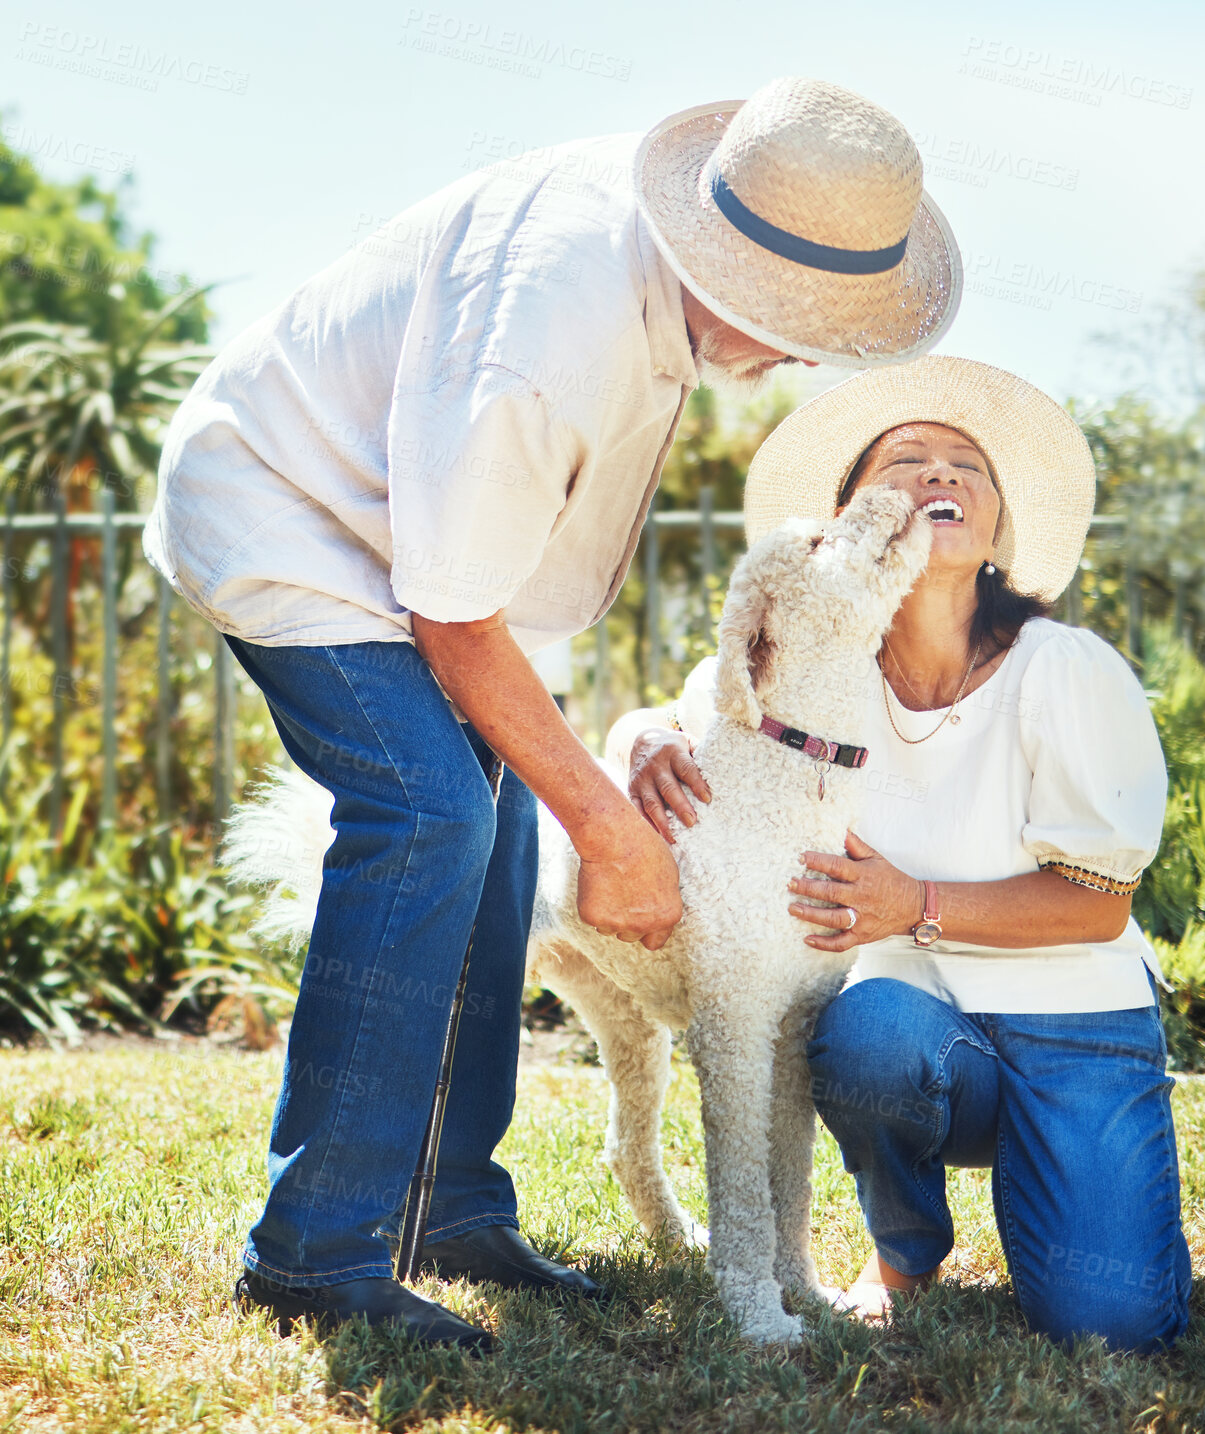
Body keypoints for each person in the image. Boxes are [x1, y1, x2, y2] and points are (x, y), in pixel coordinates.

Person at [142, 77, 962, 1347]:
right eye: (797, 319)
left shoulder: (669, 268)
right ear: (725, 266)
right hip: (289, 519)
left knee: (504, 833)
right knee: (428, 816)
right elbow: (453, 618)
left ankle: (450, 1206)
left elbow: (500, 574)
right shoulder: (551, 331)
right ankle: (314, 1250)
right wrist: (612, 825)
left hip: (418, 554)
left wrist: (613, 753)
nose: (807, 350)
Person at [623, 355, 1191, 1352]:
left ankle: (1071, 1155)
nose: (941, 478)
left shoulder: (1065, 669)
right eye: (906, 461)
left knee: (1110, 1326)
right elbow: (678, 713)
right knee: (861, 1035)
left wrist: (912, 902)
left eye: (967, 466)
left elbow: (1095, 904)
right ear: (850, 519)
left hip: (1072, 1023)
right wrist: (638, 741)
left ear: (996, 528)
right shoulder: (809, 673)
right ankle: (904, 1249)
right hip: (916, 1032)